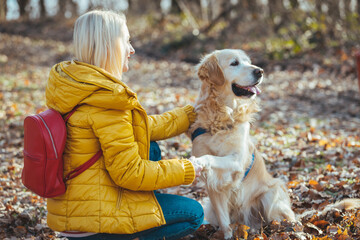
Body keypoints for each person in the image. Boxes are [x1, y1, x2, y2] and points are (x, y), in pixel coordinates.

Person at [45, 10, 203, 240]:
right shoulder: (107, 101)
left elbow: (139, 127)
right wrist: (188, 168)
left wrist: (188, 115)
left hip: (72, 213)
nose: (132, 49)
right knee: (193, 214)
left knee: (150, 147)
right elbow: (130, 173)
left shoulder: (76, 86)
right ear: (110, 45)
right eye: (127, 41)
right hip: (94, 224)